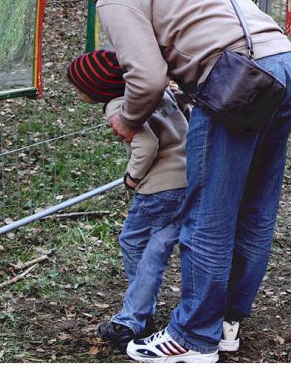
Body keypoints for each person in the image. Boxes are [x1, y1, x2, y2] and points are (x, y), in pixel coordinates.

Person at [60, 0, 291, 362]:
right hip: (283, 67)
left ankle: (192, 337)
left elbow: (146, 78)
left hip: (235, 83)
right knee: (254, 209)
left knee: (207, 216)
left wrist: (130, 120)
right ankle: (226, 322)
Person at [66, 49, 188, 354]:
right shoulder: (156, 92)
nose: (76, 92)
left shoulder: (118, 106)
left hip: (159, 188)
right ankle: (137, 314)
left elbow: (146, 142)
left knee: (134, 242)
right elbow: (185, 119)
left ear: (96, 90)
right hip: (189, 179)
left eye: (78, 87)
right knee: (157, 247)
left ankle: (135, 317)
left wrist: (132, 178)